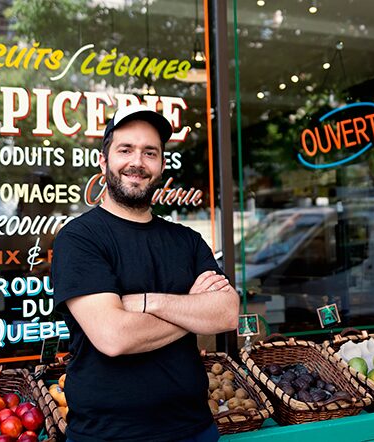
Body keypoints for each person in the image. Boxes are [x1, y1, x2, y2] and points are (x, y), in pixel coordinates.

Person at [51, 104, 239, 442]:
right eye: (125, 150)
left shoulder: (188, 241)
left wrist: (147, 302)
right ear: (103, 160)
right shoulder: (79, 238)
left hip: (195, 430)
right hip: (108, 435)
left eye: (149, 152)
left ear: (161, 165)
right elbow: (114, 337)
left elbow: (226, 313)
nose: (137, 162)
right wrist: (192, 306)